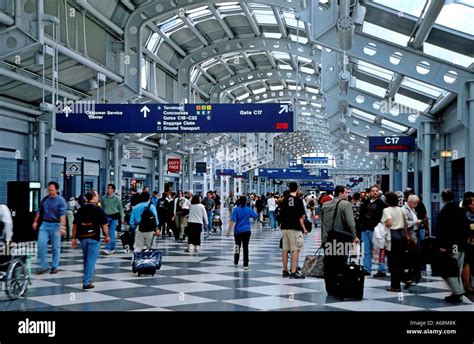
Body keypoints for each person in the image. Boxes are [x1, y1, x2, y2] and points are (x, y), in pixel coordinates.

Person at [321, 185, 358, 296]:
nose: (347, 195)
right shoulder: (345, 204)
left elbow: (323, 224)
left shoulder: (325, 205)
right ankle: (339, 287)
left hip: (328, 239)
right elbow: (350, 223)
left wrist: (324, 240)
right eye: (346, 192)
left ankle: (330, 289)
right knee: (341, 264)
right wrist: (354, 236)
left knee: (329, 265)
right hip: (342, 239)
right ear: (341, 193)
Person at [72, 190, 110, 289]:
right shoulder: (98, 209)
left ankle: (86, 278)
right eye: (97, 196)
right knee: (91, 260)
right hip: (94, 237)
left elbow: (75, 225)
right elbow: (104, 224)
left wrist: (74, 238)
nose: (98, 197)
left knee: (86, 258)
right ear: (93, 197)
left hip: (82, 237)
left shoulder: (81, 209)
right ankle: (86, 281)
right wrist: (107, 235)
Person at [436, 189, 468, 303]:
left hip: (449, 245)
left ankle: (458, 291)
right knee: (457, 270)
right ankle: (457, 294)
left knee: (448, 270)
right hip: (461, 245)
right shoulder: (460, 210)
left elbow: (440, 230)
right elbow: (466, 228)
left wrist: (441, 245)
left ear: (443, 198)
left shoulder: (444, 212)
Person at [32, 181, 67, 274]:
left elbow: (62, 215)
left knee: (56, 247)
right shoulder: (45, 199)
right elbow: (39, 211)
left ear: (56, 190)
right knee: (41, 244)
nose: (50, 192)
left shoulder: (61, 200)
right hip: (45, 224)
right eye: (49, 190)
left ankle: (54, 266)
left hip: (56, 225)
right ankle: (44, 266)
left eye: (51, 190)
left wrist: (62, 227)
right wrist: (35, 221)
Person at [382, 192, 412, 292]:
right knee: (399, 261)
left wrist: (385, 225)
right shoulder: (401, 209)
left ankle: (395, 286)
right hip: (402, 236)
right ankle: (404, 279)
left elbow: (389, 222)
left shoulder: (386, 210)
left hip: (392, 236)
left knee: (392, 262)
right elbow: (405, 224)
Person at [279, 182, 308, 279]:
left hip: (284, 228)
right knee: (295, 249)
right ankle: (293, 271)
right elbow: (301, 217)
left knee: (285, 249)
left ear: (289, 188)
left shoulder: (284, 199)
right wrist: (304, 229)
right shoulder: (299, 200)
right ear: (297, 189)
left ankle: (284, 270)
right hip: (295, 228)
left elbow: (280, 213)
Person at [358, 185, 386, 276]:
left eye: (376, 191)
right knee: (366, 251)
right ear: (370, 192)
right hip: (365, 229)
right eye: (373, 191)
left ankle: (381, 269)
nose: (375, 192)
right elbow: (361, 216)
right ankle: (367, 269)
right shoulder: (365, 203)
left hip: (376, 230)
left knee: (378, 250)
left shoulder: (382, 204)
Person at [226, 196, 257, 270]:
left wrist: (228, 231)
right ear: (246, 202)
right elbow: (255, 216)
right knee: (245, 247)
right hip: (247, 230)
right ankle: (246, 264)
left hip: (238, 231)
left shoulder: (236, 210)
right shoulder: (249, 209)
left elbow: (232, 221)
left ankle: (236, 260)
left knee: (237, 245)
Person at [100, 184, 124, 255]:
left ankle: (108, 248)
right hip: (106, 217)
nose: (108, 189)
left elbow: (121, 209)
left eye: (109, 188)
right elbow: (102, 208)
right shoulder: (103, 198)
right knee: (107, 233)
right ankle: (113, 247)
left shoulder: (117, 199)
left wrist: (122, 218)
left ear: (113, 190)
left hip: (114, 217)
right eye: (107, 188)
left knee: (111, 233)